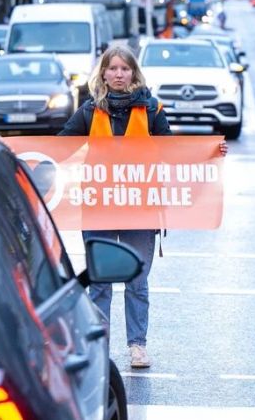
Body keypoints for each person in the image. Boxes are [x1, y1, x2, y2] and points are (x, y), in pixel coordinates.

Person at [59, 46, 227, 368]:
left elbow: (171, 151)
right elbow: (60, 147)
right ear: (104, 74)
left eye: (125, 69)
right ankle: (99, 346)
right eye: (113, 69)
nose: (119, 74)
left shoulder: (152, 110)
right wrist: (20, 152)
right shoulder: (89, 111)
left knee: (136, 279)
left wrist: (210, 151)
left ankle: (137, 346)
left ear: (134, 73)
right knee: (100, 281)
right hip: (101, 207)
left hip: (140, 208)